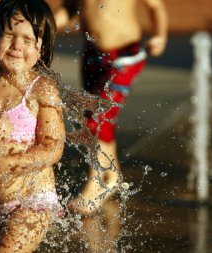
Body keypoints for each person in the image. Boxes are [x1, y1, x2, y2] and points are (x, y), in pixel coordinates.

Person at [0, 0, 65, 252]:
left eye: (28, 40)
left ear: (42, 49)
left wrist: (9, 163)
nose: (17, 45)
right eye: (8, 35)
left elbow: (53, 148)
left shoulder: (42, 90)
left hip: (34, 200)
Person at [54, 0, 168, 215]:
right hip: (93, 55)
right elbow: (67, 11)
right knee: (97, 117)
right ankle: (111, 175)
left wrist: (159, 35)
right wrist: (42, 25)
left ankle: (95, 183)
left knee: (96, 117)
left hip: (125, 55)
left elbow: (156, 6)